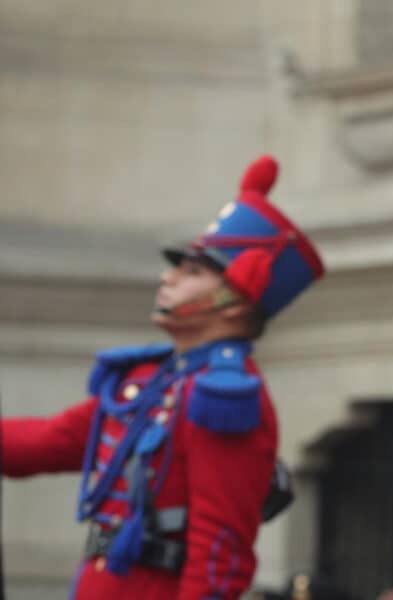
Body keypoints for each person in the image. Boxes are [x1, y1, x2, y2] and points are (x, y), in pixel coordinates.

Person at [1, 155, 325, 600]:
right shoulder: (151, 381)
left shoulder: (224, 397)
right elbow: (46, 441)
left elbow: (218, 558)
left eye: (191, 272)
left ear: (233, 302)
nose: (166, 278)